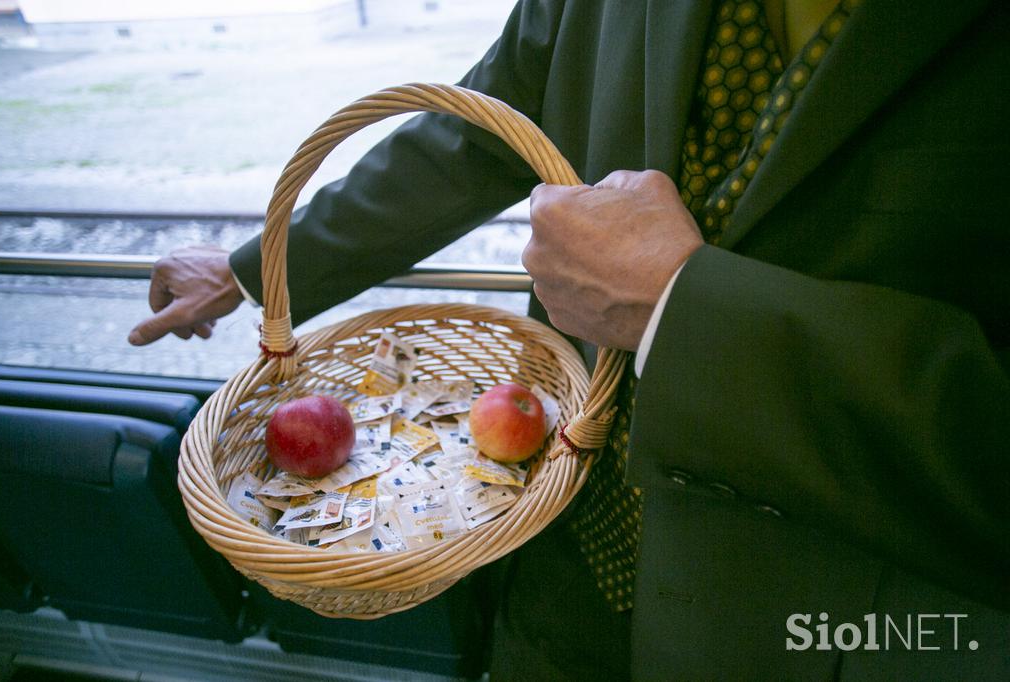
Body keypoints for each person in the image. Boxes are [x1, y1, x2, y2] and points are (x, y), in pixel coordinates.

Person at [130, 0, 1009, 678]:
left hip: (825, 617)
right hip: (557, 531)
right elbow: (476, 130)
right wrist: (254, 269)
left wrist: (680, 305)